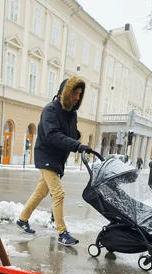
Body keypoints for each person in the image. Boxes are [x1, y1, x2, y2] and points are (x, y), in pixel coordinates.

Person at [15, 76, 95, 246]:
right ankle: (62, 232)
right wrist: (77, 145)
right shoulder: (50, 110)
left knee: (41, 192)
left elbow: (70, 134)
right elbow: (53, 135)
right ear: (66, 93)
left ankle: (22, 219)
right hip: (46, 155)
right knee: (58, 193)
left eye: (80, 95)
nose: (77, 98)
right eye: (75, 93)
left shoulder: (71, 113)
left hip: (57, 157)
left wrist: (78, 139)